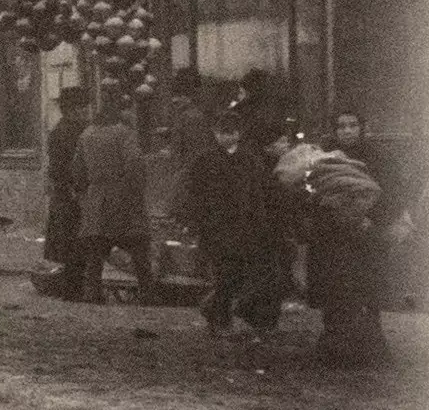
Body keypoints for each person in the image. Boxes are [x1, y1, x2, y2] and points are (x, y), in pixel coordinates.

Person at [170, 108, 281, 337]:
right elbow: (192, 191)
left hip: (243, 226)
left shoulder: (249, 160)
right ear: (214, 133)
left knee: (236, 274)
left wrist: (259, 221)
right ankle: (220, 320)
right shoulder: (204, 160)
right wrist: (193, 220)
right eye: (221, 132)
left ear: (239, 134)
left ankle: (213, 309)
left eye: (230, 132)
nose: (225, 137)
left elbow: (258, 193)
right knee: (223, 273)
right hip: (214, 226)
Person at [304, 110, 397, 368]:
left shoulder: (378, 158)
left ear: (362, 128)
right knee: (335, 292)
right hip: (332, 235)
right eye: (341, 126)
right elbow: (312, 190)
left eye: (352, 125)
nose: (346, 131)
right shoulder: (324, 158)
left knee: (365, 292)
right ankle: (335, 351)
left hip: (365, 236)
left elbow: (391, 194)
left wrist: (374, 220)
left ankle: (370, 351)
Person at [72, 92, 155, 303]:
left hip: (97, 198)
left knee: (96, 250)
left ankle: (92, 292)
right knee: (139, 247)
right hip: (124, 197)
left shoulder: (86, 135)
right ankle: (147, 293)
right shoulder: (124, 134)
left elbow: (78, 171)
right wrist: (137, 190)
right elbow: (135, 163)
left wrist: (85, 195)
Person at [42, 85, 89, 286]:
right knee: (74, 237)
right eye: (81, 108)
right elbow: (59, 167)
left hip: (68, 192)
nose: (85, 112)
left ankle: (74, 282)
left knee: (71, 238)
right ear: (71, 110)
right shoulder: (68, 133)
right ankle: (73, 284)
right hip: (70, 192)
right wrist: (73, 187)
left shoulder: (67, 130)